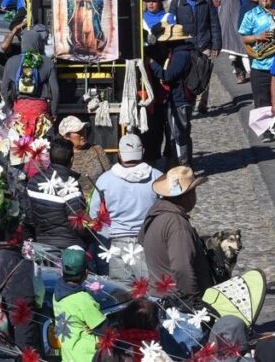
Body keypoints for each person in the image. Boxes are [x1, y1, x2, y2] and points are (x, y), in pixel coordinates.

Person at [89, 134, 161, 280]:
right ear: (143, 152)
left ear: (119, 154)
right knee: (150, 290)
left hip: (116, 244)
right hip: (147, 242)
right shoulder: (157, 177)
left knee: (121, 292)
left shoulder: (105, 180)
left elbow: (93, 214)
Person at [139, 166, 215, 302]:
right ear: (186, 196)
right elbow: (182, 267)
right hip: (177, 302)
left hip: (160, 296)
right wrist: (193, 299)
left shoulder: (156, 213)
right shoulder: (177, 224)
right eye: (193, 192)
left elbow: (141, 239)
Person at [22, 137, 87, 250]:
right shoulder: (71, 186)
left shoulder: (33, 182)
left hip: (42, 247)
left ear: (50, 158)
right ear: (71, 159)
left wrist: (30, 242)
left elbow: (28, 219)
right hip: (70, 250)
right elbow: (78, 225)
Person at [169, 0, 221, 113]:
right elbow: (170, 22)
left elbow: (214, 22)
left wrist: (216, 44)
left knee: (204, 73)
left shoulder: (205, 0)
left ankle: (202, 103)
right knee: (188, 74)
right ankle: (189, 100)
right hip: (186, 45)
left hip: (204, 43)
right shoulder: (177, 3)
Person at [148, 23, 197, 167]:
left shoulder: (181, 55)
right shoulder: (181, 52)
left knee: (179, 135)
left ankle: (184, 166)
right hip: (179, 98)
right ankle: (178, 163)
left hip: (180, 100)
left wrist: (152, 63)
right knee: (178, 133)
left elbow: (168, 75)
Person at [1, 26, 59, 138]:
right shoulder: (47, 62)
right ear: (38, 42)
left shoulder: (11, 61)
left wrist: (10, 108)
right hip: (40, 111)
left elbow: (4, 89)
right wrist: (54, 112)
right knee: (40, 147)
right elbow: (55, 91)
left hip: (19, 110)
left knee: (21, 146)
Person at [53, 246, 107, 362]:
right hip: (87, 357)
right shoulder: (83, 300)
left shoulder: (56, 294)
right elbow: (104, 330)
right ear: (86, 272)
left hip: (68, 357)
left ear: (62, 270)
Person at [240, 0, 275, 110]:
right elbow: (244, 38)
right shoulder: (250, 15)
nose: (265, 0)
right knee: (261, 103)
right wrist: (258, 37)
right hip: (260, 65)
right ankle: (264, 129)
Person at [58, 116, 111, 199]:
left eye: (84, 130)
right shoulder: (62, 155)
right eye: (78, 132)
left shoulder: (97, 150)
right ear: (66, 136)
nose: (83, 134)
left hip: (99, 202)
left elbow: (110, 176)